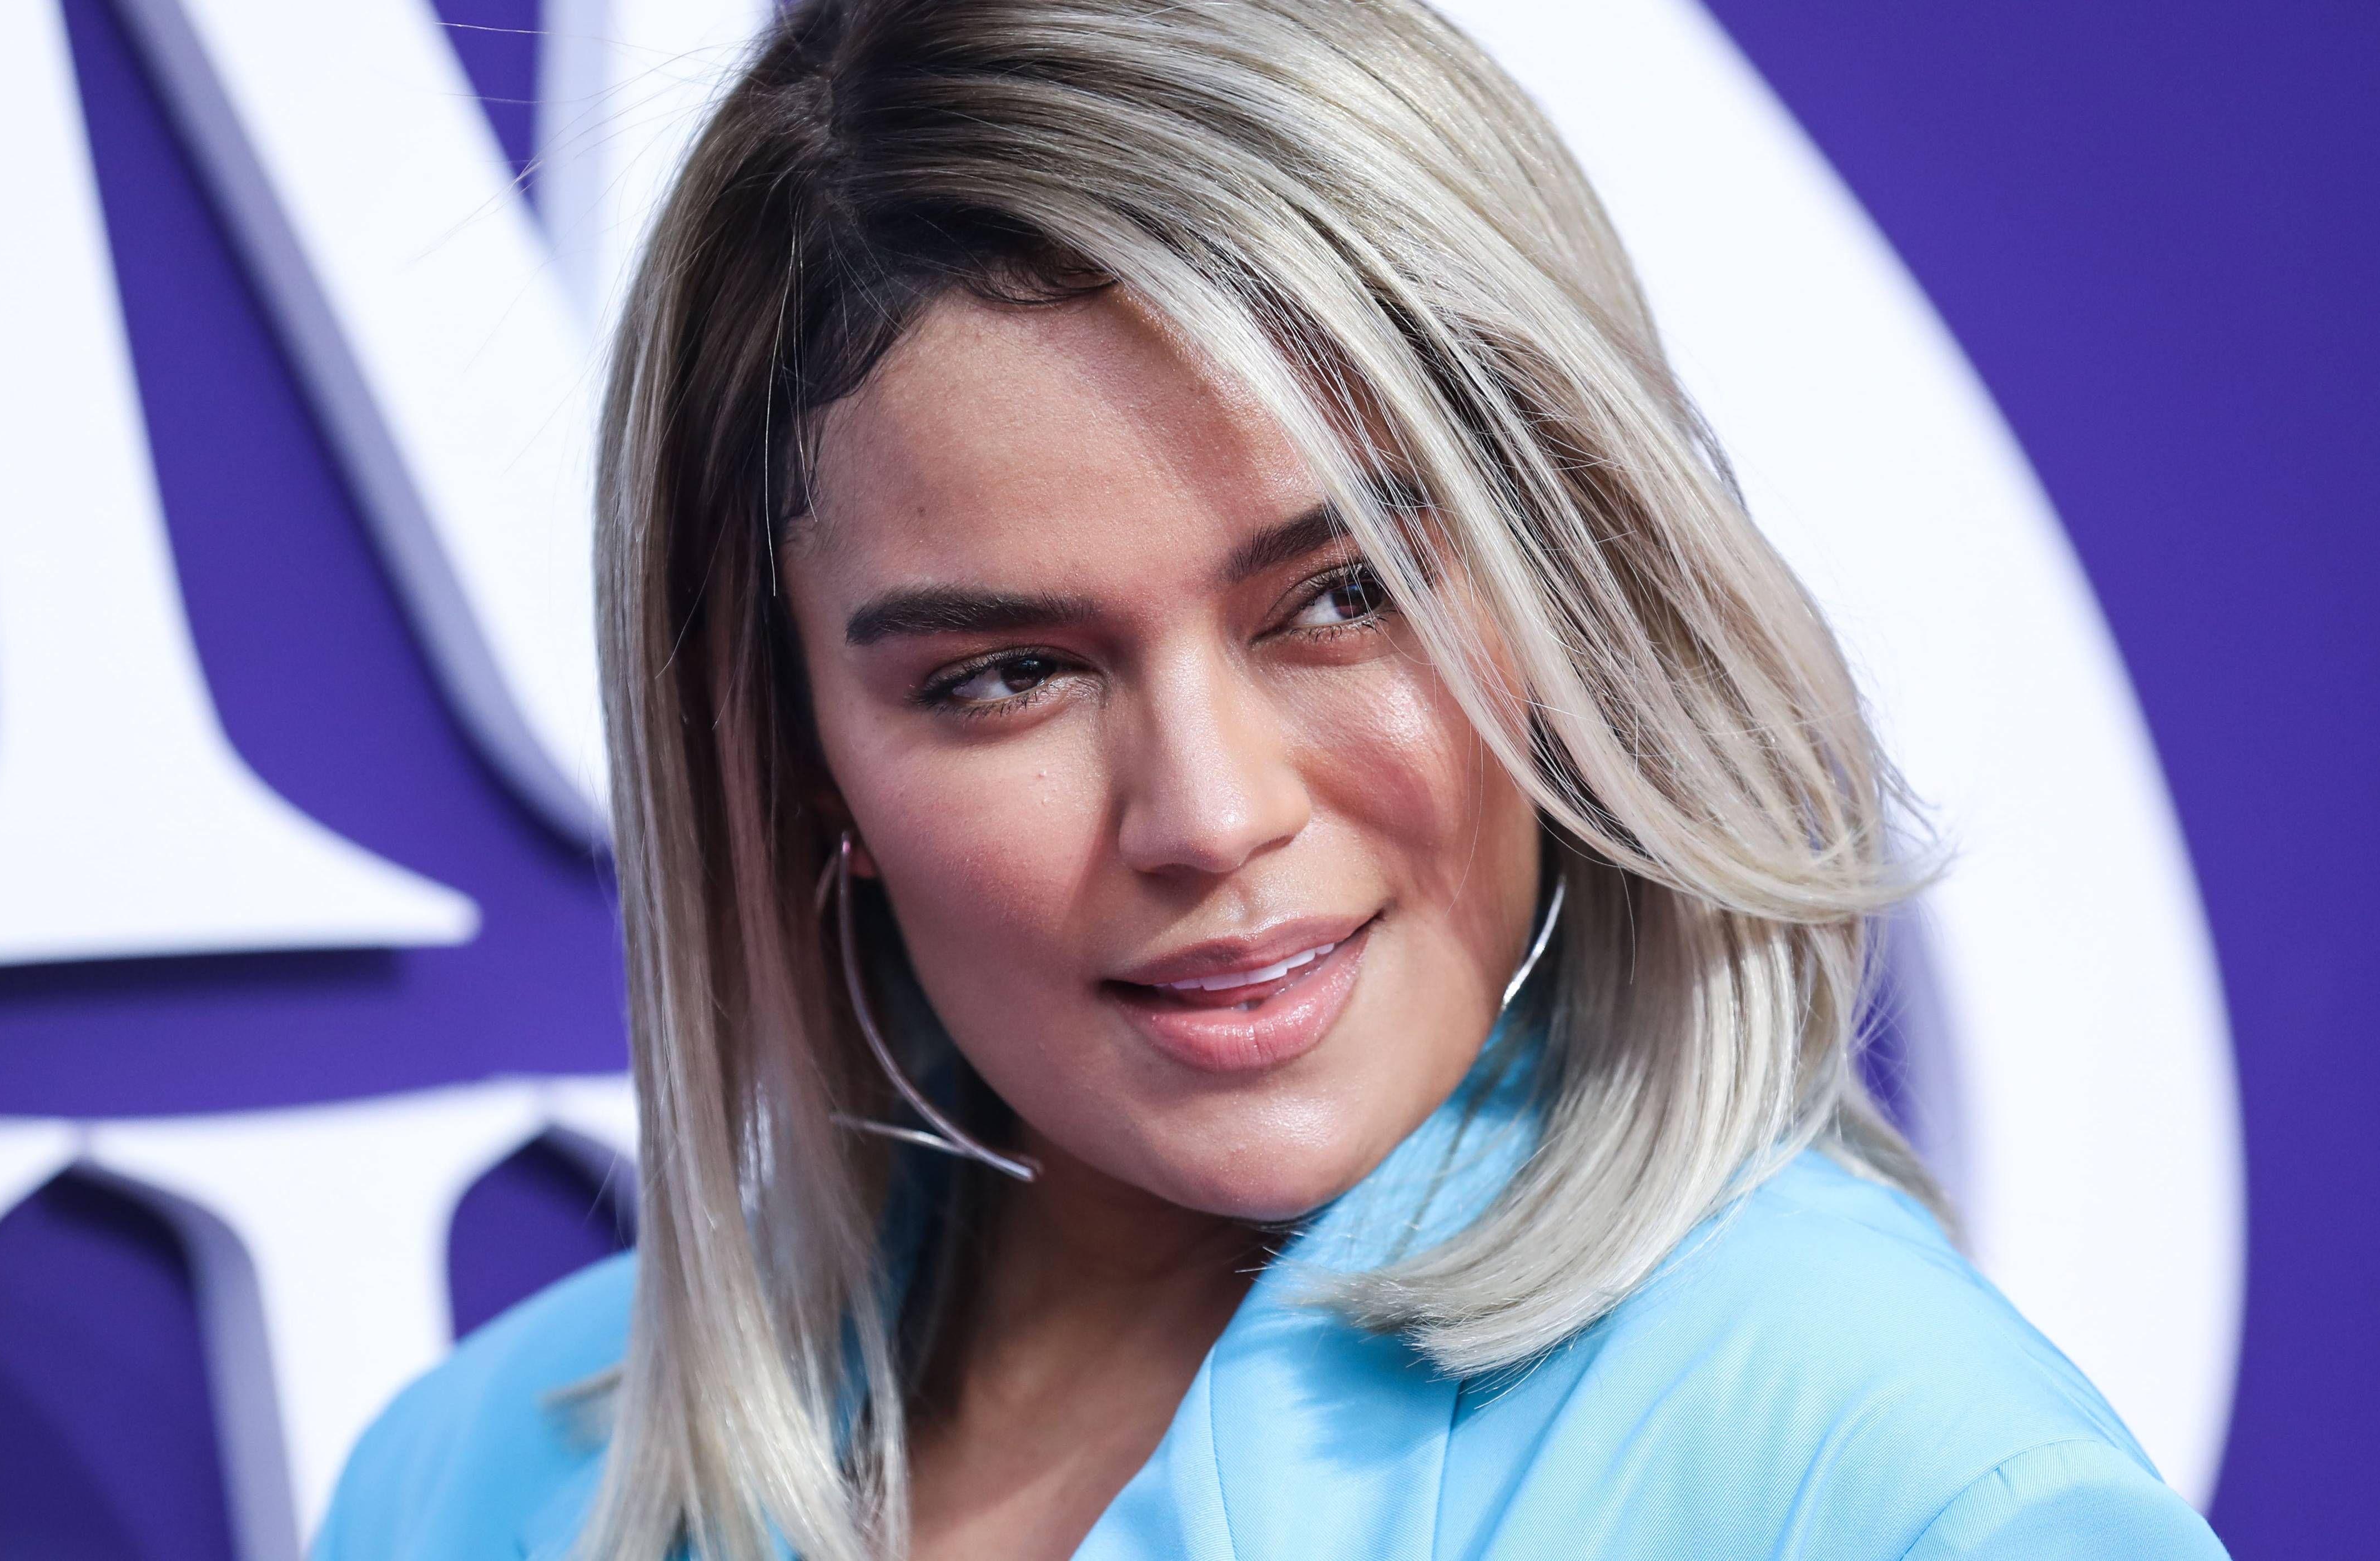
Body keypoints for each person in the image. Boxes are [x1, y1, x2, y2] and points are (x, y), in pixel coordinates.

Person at [316, 1, 2231, 1556]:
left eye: (1341, 596)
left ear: (1570, 594)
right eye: (1007, 674)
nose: (1211, 813)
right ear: (799, 754)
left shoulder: (1898, 1486)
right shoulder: (470, 1489)